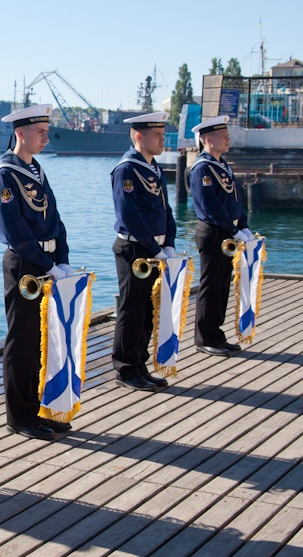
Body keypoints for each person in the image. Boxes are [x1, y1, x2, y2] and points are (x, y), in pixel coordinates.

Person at [0, 104, 72, 441]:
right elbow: (15, 232)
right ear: (20, 133)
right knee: (21, 341)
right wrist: (48, 264)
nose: (46, 137)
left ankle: (36, 409)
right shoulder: (5, 176)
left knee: (41, 340)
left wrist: (62, 259)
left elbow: (54, 218)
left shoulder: (35, 170)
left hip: (48, 265)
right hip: (26, 266)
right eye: (41, 131)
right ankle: (19, 416)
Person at [110, 112, 177, 392]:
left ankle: (140, 365)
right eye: (157, 135)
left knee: (149, 310)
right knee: (132, 309)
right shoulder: (127, 169)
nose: (163, 139)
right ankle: (125, 369)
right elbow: (130, 214)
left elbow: (165, 209)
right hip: (135, 248)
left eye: (162, 134)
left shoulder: (154, 168)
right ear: (139, 137)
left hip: (154, 248)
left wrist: (169, 243)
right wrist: (153, 247)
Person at [190, 115, 252, 357]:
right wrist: (234, 230)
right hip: (215, 233)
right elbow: (210, 206)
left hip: (228, 232)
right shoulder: (202, 168)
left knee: (222, 286)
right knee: (210, 286)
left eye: (227, 134)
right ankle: (204, 337)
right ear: (207, 140)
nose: (228, 139)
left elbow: (235, 200)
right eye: (222, 135)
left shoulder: (222, 165)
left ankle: (216, 334)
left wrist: (243, 225)